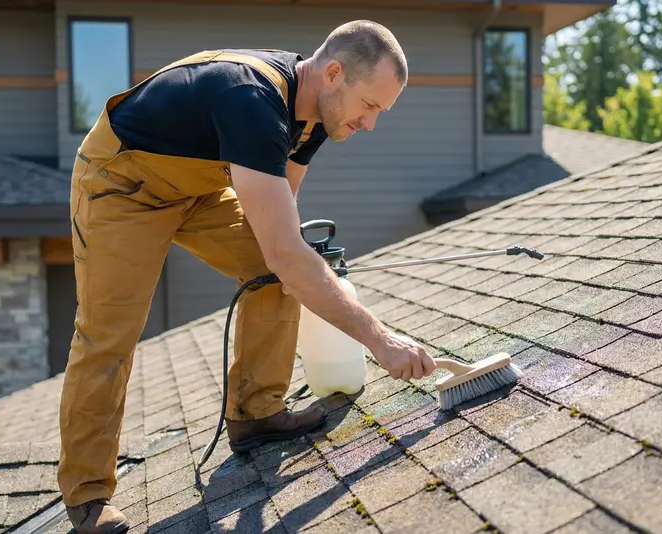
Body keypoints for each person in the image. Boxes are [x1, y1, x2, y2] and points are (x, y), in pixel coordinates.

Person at [57, 19, 438, 533]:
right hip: (121, 184)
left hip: (197, 189)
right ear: (333, 73)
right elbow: (288, 252)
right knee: (109, 332)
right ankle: (88, 494)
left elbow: (283, 241)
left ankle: (255, 413)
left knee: (275, 271)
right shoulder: (252, 98)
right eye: (369, 106)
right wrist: (381, 340)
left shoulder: (318, 117)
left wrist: (296, 264)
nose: (370, 123)